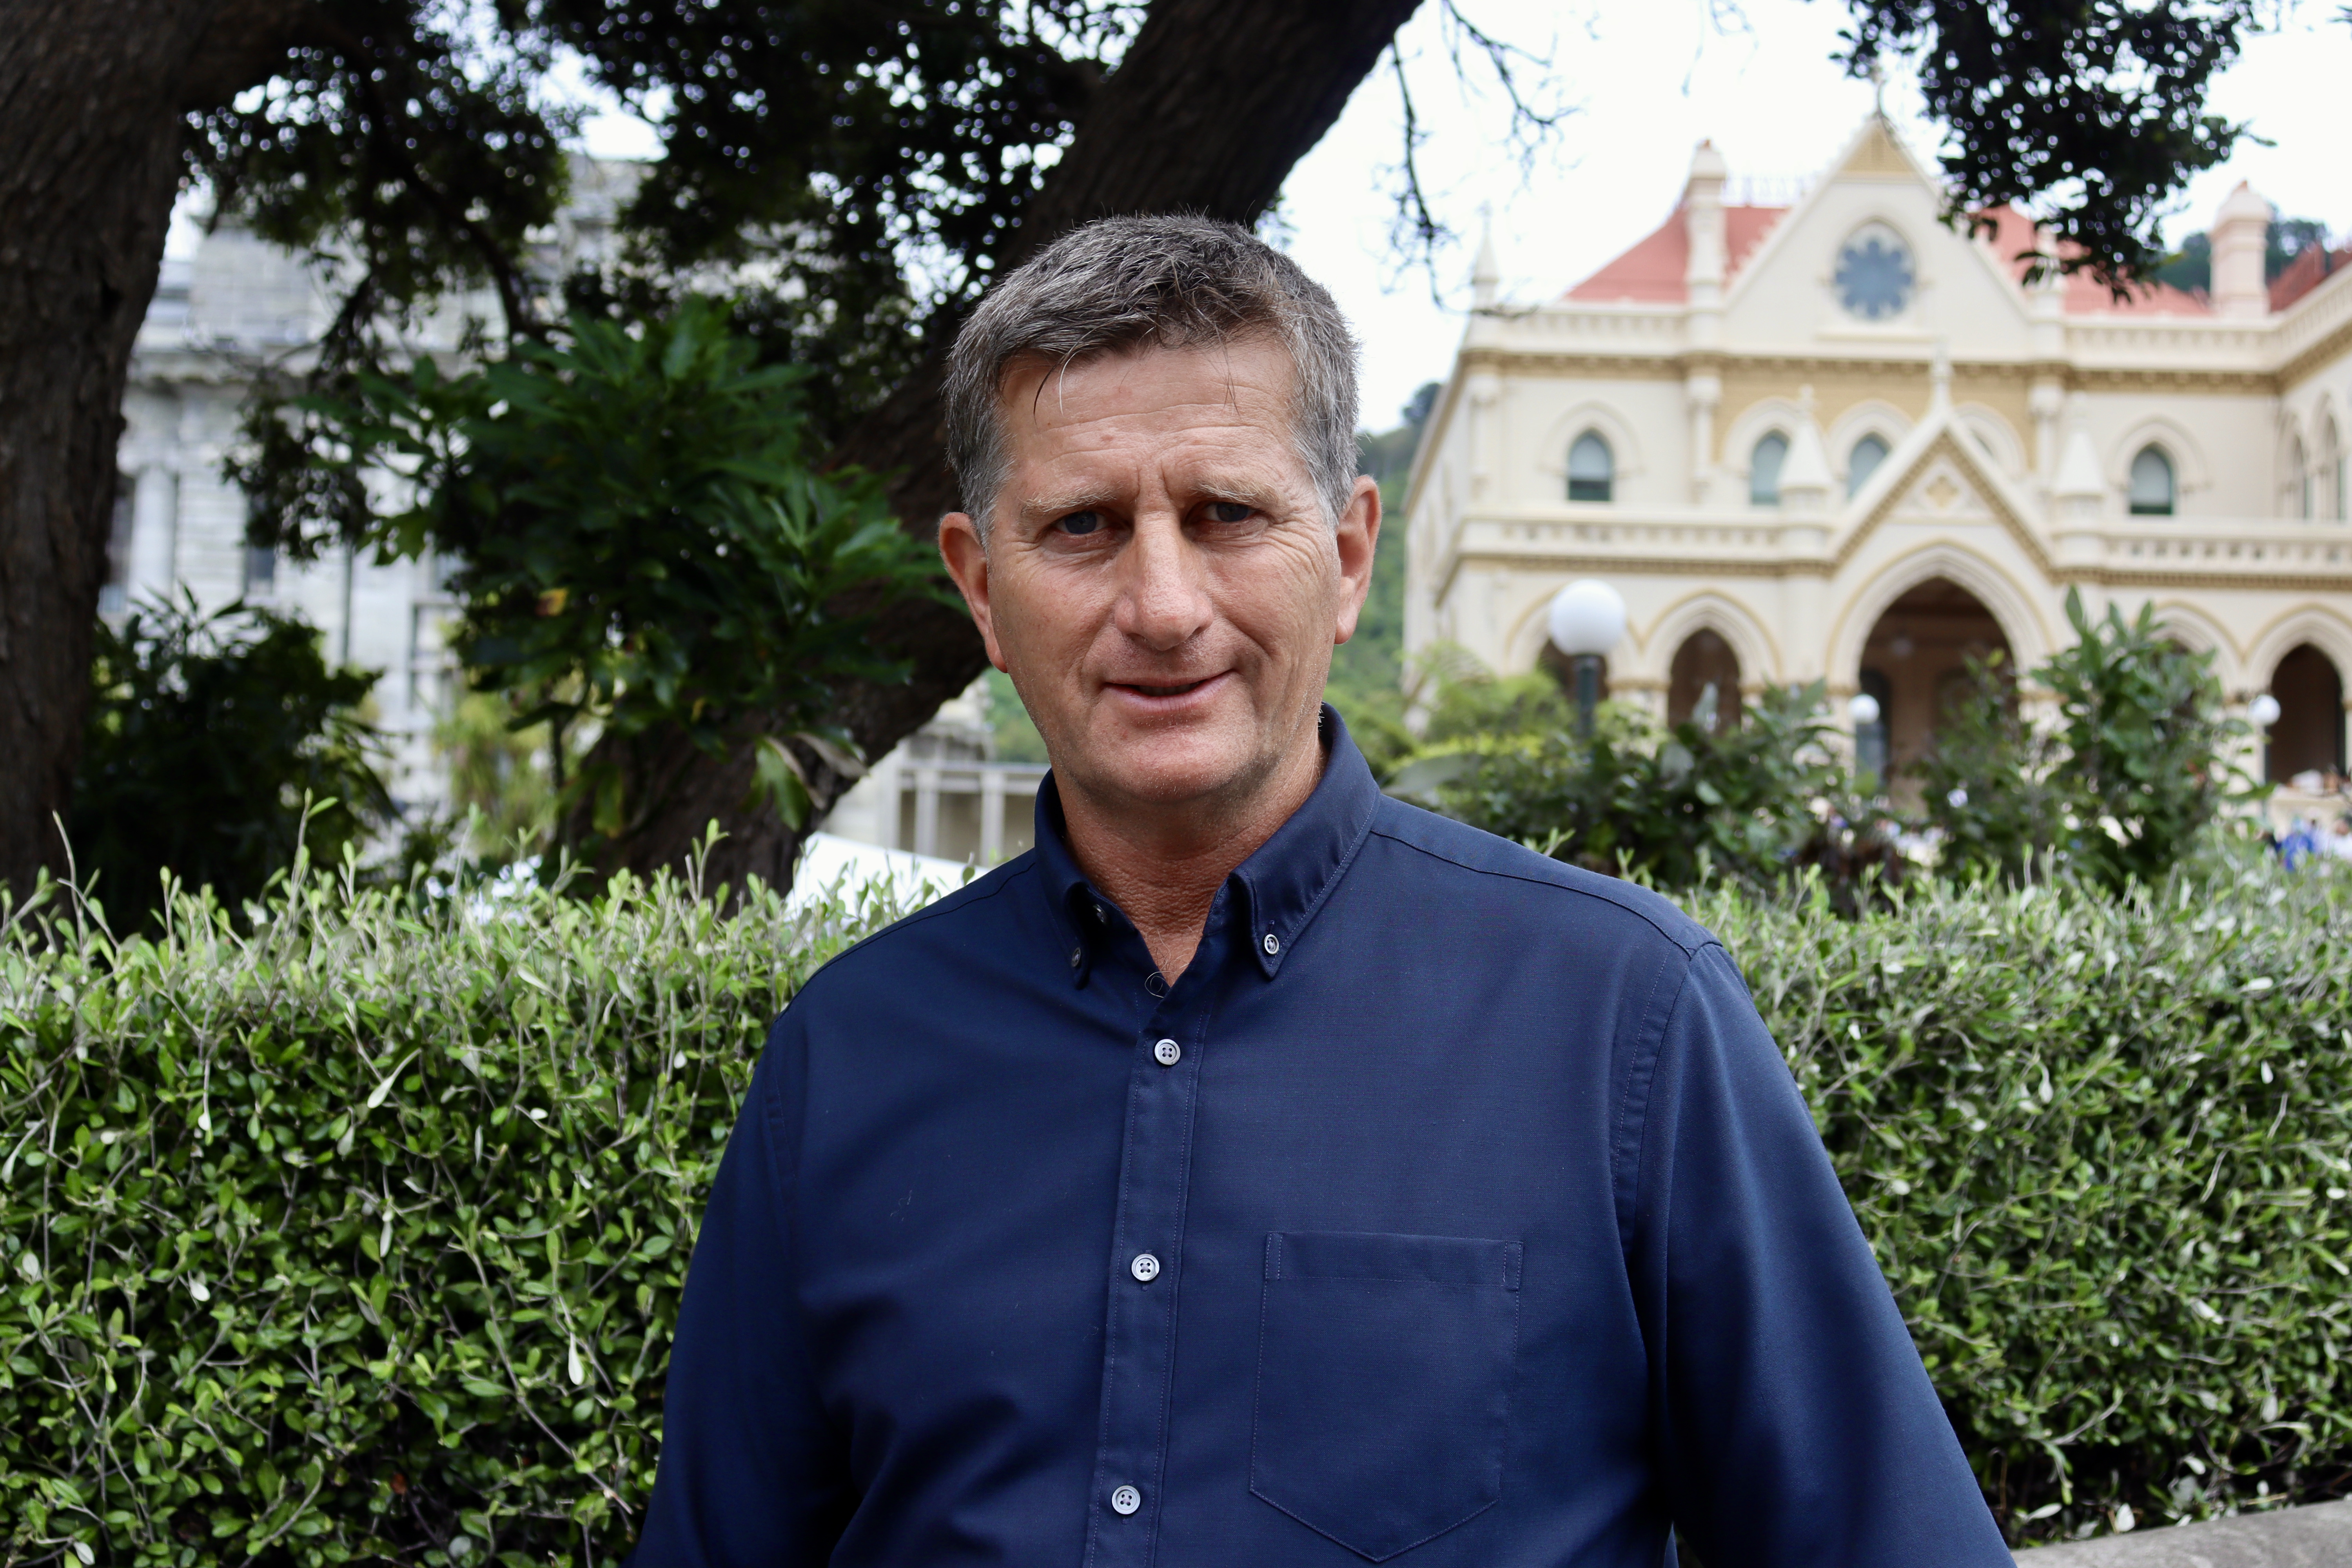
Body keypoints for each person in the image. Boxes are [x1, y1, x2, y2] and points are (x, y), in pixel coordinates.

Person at [630, 215, 2012, 1567]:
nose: (1164, 605)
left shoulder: (1624, 1023)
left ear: (1349, 558)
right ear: (983, 590)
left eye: (1227, 513)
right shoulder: (851, 1050)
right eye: (1083, 527)